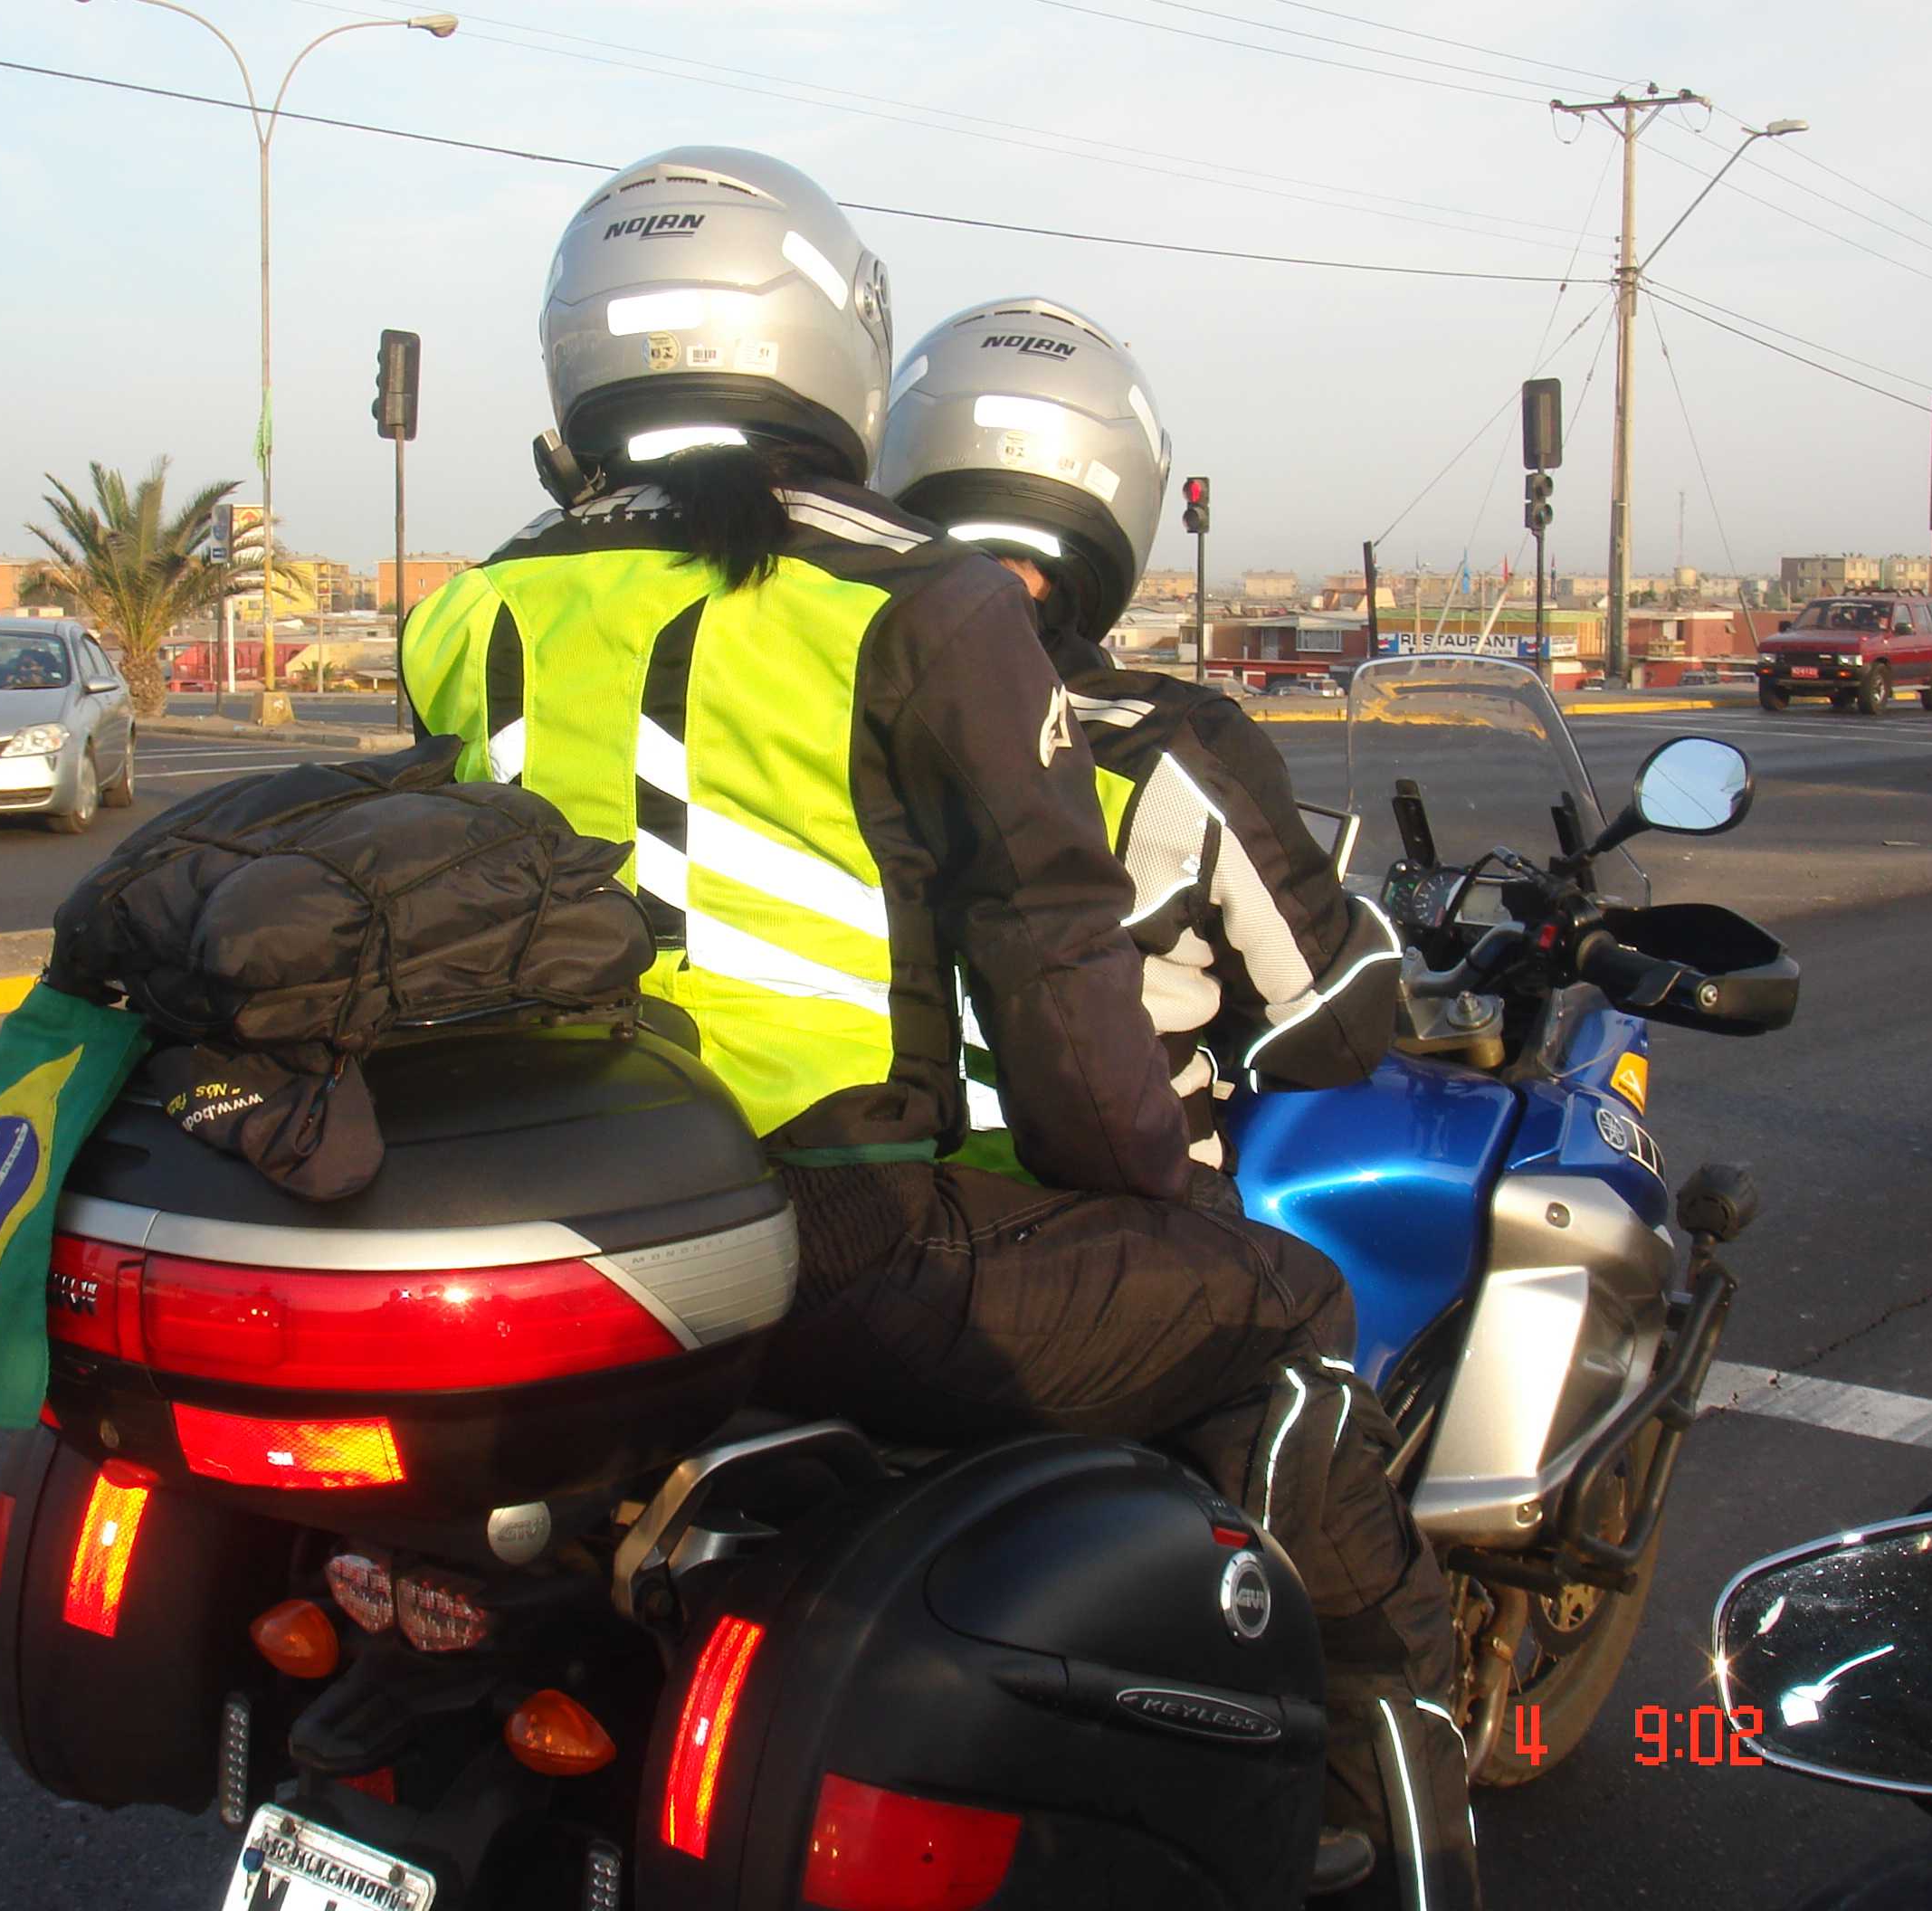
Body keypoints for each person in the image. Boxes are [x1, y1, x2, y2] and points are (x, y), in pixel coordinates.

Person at [400, 148, 1475, 1909]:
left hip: (575, 1244)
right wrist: (1151, 1207)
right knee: (1281, 1308)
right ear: (827, 346)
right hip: (837, 1251)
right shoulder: (909, 599)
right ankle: (1405, 1805)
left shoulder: (474, 608)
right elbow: (1057, 982)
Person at [871, 296, 1400, 1174]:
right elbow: (1326, 1025)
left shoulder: (823, 704)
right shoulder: (1175, 748)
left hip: (871, 1206)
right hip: (1117, 1229)